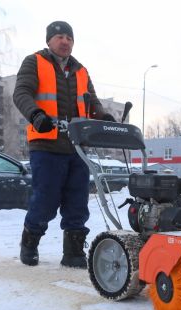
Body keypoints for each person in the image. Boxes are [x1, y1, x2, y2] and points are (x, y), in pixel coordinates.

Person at [13, 21, 115, 268]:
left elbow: (92, 102)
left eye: (69, 37)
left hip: (77, 146)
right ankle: (29, 243)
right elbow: (21, 94)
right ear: (49, 41)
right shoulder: (34, 61)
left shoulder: (81, 70)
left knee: (77, 201)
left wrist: (103, 117)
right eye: (59, 36)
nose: (65, 41)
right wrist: (36, 116)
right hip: (46, 143)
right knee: (45, 200)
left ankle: (73, 252)